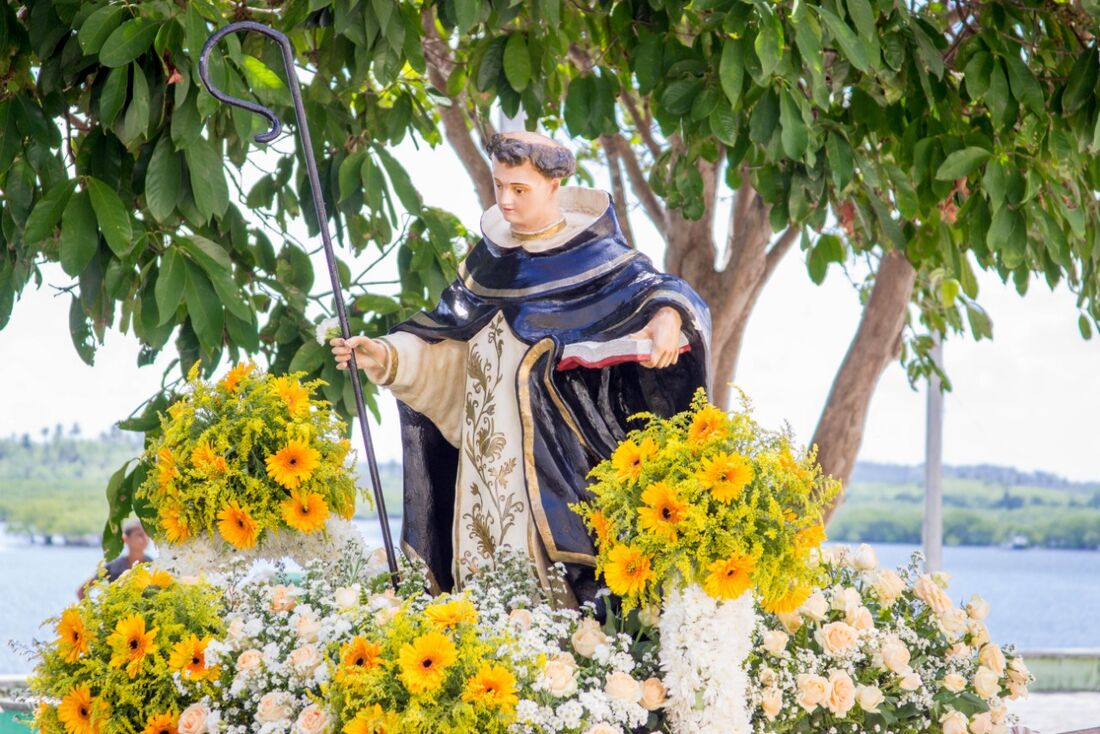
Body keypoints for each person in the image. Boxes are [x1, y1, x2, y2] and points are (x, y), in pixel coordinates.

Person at [331, 130, 711, 607]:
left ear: (554, 185)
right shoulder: (489, 263)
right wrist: (386, 355)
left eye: (520, 189)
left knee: (556, 596)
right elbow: (446, 340)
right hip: (484, 468)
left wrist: (667, 317)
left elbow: (666, 294)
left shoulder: (603, 261)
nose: (506, 201)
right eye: (499, 186)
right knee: (481, 581)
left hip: (559, 462)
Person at [76, 518, 152, 599]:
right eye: (139, 535)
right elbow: (81, 592)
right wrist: (95, 611)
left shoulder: (154, 564)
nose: (145, 538)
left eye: (147, 534)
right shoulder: (113, 567)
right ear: (125, 538)